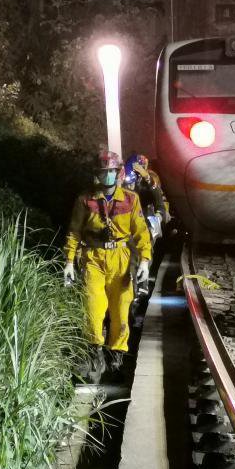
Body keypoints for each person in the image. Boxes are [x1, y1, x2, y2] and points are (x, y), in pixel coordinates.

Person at [63, 150, 152, 374]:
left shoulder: (131, 199)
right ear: (97, 175)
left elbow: (141, 232)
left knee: (121, 309)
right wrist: (70, 262)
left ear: (118, 172)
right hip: (93, 257)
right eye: (104, 172)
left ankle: (116, 354)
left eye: (111, 171)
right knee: (94, 307)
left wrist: (144, 261)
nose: (108, 176)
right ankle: (95, 351)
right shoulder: (85, 200)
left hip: (121, 259)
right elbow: (74, 231)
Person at [125, 153, 170, 224]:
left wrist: (147, 178)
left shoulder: (151, 177)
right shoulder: (128, 180)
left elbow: (158, 197)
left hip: (152, 211)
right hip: (136, 213)